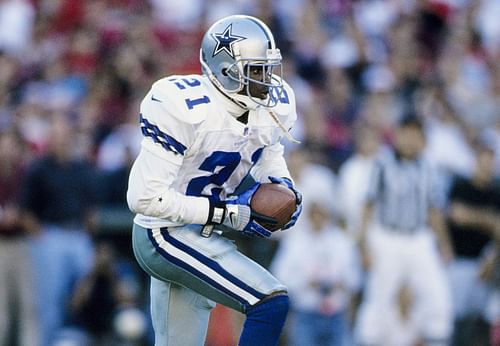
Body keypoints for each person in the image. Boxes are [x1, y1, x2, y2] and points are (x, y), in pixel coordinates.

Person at [127, 15, 302, 346]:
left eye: (267, 69)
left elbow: (269, 150)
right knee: (269, 301)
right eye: (255, 70)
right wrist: (226, 212)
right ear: (225, 69)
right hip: (161, 232)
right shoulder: (182, 105)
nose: (266, 80)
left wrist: (284, 185)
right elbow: (144, 198)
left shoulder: (270, 104)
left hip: (200, 230)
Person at [355, 116, 453, 346]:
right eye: (406, 133)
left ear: (423, 139)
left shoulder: (429, 167)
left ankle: (439, 338)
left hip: (419, 238)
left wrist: (445, 245)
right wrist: (363, 244)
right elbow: (367, 206)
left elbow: (434, 210)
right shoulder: (382, 163)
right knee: (379, 295)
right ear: (397, 135)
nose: (410, 140)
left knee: (437, 295)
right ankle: (368, 340)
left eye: (416, 135)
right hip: (387, 237)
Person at [19, 115, 98, 346]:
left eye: (64, 134)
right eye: (56, 135)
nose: (61, 140)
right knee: (49, 300)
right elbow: (26, 210)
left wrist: (87, 232)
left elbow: (92, 207)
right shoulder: (39, 168)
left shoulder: (81, 167)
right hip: (50, 236)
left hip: (78, 236)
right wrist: (41, 236)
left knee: (90, 290)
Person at [0, 128, 39, 346]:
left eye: (11, 145)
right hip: (1, 244)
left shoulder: (26, 173)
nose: (7, 150)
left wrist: (22, 217)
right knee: (1, 309)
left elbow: (35, 212)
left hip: (23, 243)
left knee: (28, 305)